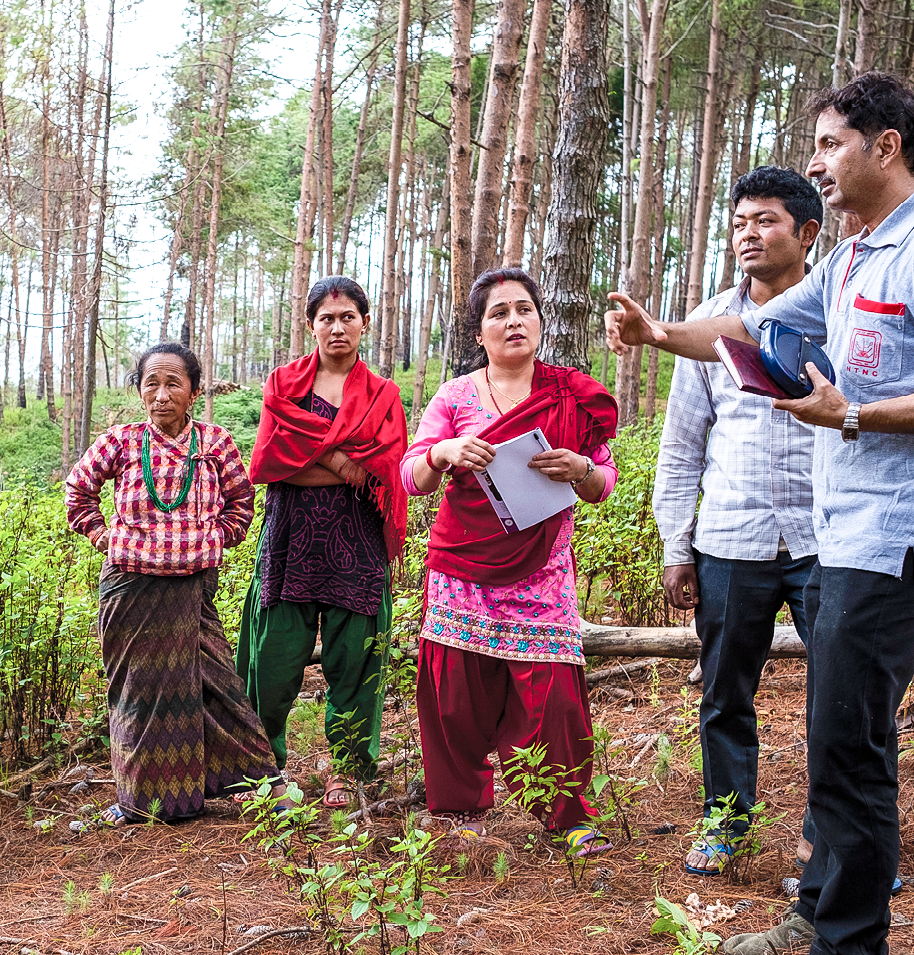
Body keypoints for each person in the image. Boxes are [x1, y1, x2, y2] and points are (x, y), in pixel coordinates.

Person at [607, 72, 914, 955]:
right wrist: (655, 334)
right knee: (838, 734)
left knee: (848, 742)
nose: (815, 164)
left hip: (901, 538)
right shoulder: (857, 256)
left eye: (829, 144)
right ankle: (818, 913)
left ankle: (846, 938)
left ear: (885, 146)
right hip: (848, 533)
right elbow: (744, 334)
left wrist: (854, 414)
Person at [403, 267, 619, 852]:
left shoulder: (571, 393)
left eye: (524, 309)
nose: (514, 321)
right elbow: (412, 474)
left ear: (541, 322)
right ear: (479, 332)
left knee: (552, 695)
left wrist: (580, 469)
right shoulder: (456, 395)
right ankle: (458, 804)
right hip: (462, 566)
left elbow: (604, 481)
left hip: (541, 566)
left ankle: (566, 814)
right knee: (456, 693)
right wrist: (445, 451)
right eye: (498, 313)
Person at [652, 166, 822, 876]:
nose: (747, 235)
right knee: (725, 691)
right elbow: (681, 439)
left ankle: (834, 835)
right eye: (737, 223)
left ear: (807, 231)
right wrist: (674, 543)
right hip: (729, 536)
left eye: (765, 221)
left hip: (827, 536)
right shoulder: (706, 327)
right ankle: (724, 821)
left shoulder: (836, 313)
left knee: (841, 693)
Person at [65, 342, 291, 825]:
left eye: (174, 384)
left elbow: (241, 501)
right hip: (130, 589)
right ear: (140, 391)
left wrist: (214, 540)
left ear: (194, 391)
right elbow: (78, 489)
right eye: (152, 383)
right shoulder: (121, 441)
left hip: (193, 587)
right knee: (137, 693)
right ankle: (142, 801)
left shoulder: (215, 442)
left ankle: (262, 784)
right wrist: (104, 536)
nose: (162, 394)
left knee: (217, 685)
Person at [239, 276, 408, 809]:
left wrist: (307, 458)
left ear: (363, 323)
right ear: (311, 325)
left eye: (348, 317)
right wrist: (341, 463)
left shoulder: (383, 394)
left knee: (354, 658)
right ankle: (262, 766)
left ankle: (349, 768)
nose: (337, 327)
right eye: (326, 319)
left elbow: (385, 470)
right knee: (273, 656)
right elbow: (271, 465)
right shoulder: (283, 386)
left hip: (357, 544)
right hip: (291, 540)